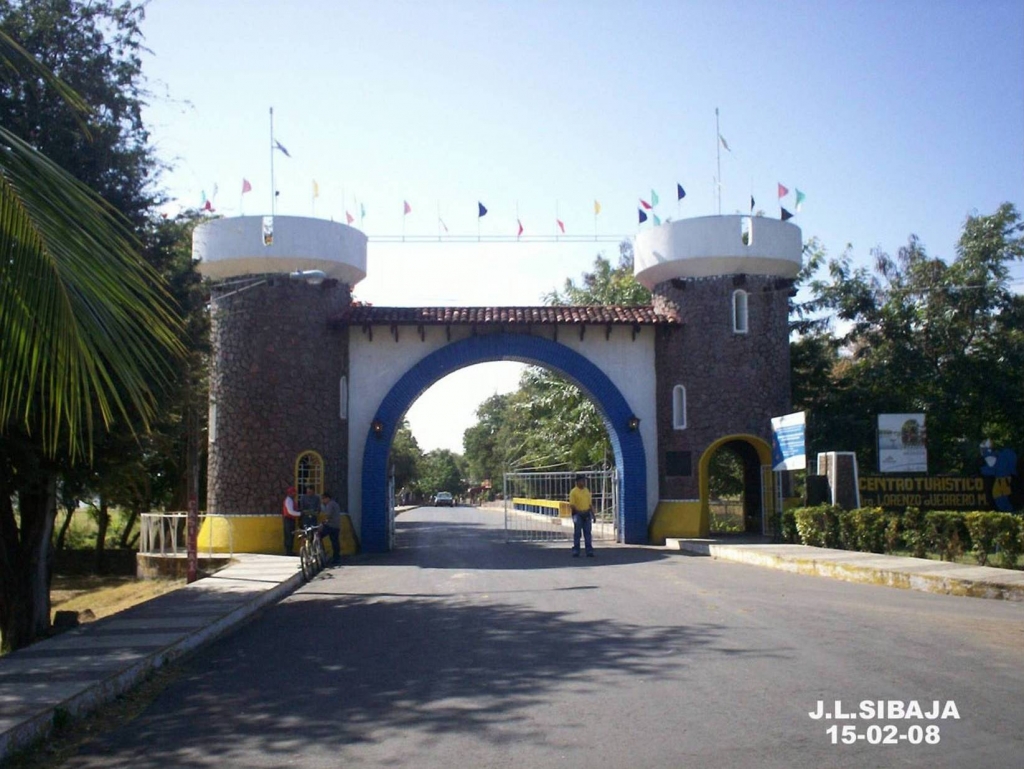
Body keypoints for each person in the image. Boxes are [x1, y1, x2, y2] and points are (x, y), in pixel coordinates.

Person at [568, 474, 595, 558]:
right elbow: (572, 505)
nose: (584, 482)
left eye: (584, 481)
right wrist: (578, 512)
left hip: (587, 514)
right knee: (577, 533)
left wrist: (593, 515)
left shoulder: (586, 490)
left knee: (587, 533)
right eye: (582, 480)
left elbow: (590, 504)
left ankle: (589, 550)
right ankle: (576, 550)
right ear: (577, 482)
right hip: (577, 514)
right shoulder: (573, 492)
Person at [320, 491, 344, 565]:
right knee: (335, 542)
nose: (323, 501)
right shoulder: (335, 504)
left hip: (330, 525)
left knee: (318, 536)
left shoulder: (330, 504)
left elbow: (328, 515)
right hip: (336, 525)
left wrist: (323, 522)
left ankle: (321, 553)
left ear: (327, 498)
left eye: (323, 499)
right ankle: (337, 557)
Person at [282, 485, 302, 556]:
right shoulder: (289, 500)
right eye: (294, 493)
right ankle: (288, 551)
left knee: (290, 535)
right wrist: (300, 514)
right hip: (288, 519)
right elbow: (291, 512)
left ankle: (289, 550)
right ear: (291, 493)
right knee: (289, 535)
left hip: (290, 519)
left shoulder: (291, 500)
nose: (295, 494)